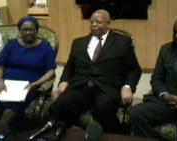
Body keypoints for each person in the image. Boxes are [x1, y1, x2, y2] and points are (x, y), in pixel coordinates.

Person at [41, 9, 141, 138]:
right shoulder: (78, 43)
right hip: (80, 85)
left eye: (98, 22)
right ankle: (65, 135)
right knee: (62, 103)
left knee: (102, 108)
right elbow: (69, 67)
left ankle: (117, 136)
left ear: (108, 23)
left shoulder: (122, 42)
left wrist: (127, 87)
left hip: (107, 87)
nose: (94, 24)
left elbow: (134, 69)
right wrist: (63, 81)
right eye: (92, 21)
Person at [129, 15, 177, 140]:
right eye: (175, 32)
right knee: (136, 114)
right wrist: (165, 95)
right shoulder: (166, 49)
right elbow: (157, 78)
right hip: (168, 103)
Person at [0, 16, 56, 127]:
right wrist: (0, 82)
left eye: (31, 29)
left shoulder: (45, 47)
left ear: (36, 30)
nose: (28, 32)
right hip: (6, 85)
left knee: (8, 115)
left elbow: (51, 71)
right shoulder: (12, 45)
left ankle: (0, 134)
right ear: (19, 31)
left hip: (28, 86)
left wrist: (35, 84)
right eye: (24, 30)